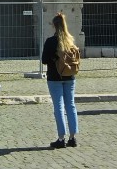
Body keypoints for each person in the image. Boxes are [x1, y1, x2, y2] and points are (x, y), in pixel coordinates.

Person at [40, 11, 79, 148]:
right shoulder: (70, 41)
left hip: (55, 77)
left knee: (59, 107)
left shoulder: (51, 41)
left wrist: (53, 58)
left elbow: (44, 60)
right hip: (70, 76)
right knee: (71, 105)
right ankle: (73, 137)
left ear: (54, 26)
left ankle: (61, 138)